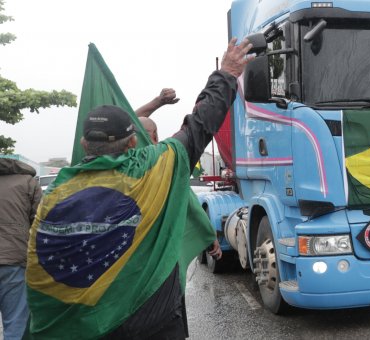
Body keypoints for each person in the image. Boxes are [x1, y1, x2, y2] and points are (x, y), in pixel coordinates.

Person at [25, 38, 253, 339]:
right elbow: (200, 124)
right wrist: (226, 74)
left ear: (84, 145)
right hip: (151, 322)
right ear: (134, 142)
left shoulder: (56, 193)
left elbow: (41, 272)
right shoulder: (157, 167)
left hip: (75, 328)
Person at [0, 158, 42, 339]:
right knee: (16, 323)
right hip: (14, 259)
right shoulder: (28, 182)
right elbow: (41, 221)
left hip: (13, 257)